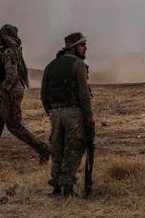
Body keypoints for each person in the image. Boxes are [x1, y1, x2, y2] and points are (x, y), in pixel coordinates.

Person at [0, 24, 50, 172]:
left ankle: (43, 149)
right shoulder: (6, 52)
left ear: (6, 37)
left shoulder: (11, 53)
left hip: (9, 95)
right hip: (2, 94)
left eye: (0, 36)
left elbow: (11, 76)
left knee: (15, 127)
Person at [40, 33, 93, 196]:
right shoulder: (78, 65)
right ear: (73, 47)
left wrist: (51, 111)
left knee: (57, 150)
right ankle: (67, 187)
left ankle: (56, 186)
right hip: (73, 113)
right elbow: (83, 94)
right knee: (73, 149)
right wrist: (89, 117)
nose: (85, 47)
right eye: (82, 45)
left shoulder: (50, 65)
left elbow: (43, 93)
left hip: (55, 113)